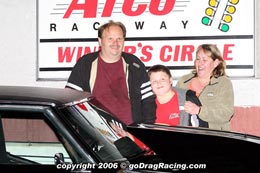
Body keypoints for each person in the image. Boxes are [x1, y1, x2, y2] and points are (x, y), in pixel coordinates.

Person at [65, 20, 156, 126]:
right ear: (100, 41)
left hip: (129, 133)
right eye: (110, 39)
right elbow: (70, 99)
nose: (115, 43)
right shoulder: (85, 64)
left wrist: (143, 131)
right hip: (95, 131)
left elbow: (148, 100)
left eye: (119, 39)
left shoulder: (135, 64)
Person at [176, 44, 234, 131]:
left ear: (216, 63)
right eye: (198, 59)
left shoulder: (223, 83)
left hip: (215, 135)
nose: (200, 63)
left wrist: (199, 111)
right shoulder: (183, 81)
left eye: (205, 59)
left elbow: (226, 113)